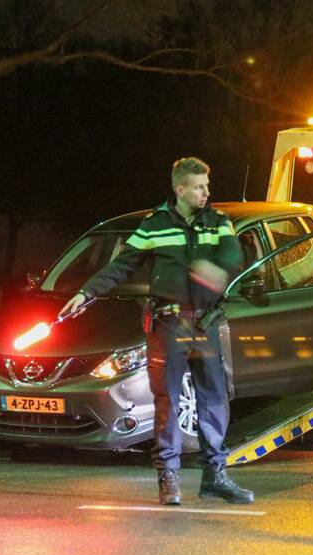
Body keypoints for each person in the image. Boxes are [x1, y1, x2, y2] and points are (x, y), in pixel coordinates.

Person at [59, 157, 252, 505]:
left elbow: (233, 255)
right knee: (168, 402)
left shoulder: (218, 222)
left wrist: (216, 268)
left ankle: (215, 477)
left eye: (207, 186)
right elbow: (122, 264)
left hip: (205, 324)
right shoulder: (154, 225)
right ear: (180, 189)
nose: (206, 192)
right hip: (168, 325)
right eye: (198, 187)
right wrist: (86, 292)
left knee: (214, 402)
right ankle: (169, 481)